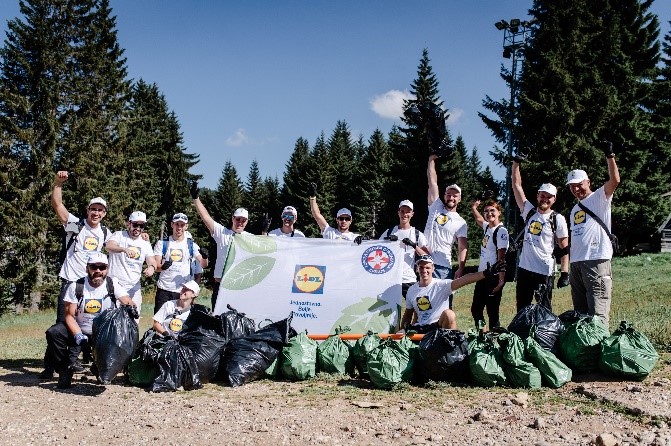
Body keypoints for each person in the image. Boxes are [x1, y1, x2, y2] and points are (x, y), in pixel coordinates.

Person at [41, 171, 113, 379]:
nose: (96, 213)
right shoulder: (77, 225)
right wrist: (57, 184)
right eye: (93, 209)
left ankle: (70, 364)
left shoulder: (105, 233)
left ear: (104, 214)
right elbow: (58, 207)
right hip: (70, 282)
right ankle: (50, 365)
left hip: (88, 286)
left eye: (100, 210)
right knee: (61, 325)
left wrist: (141, 237)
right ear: (87, 210)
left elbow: (118, 244)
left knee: (80, 325)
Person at [44, 253, 134, 388]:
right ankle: (65, 369)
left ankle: (100, 368)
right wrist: (78, 335)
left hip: (104, 334)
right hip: (81, 329)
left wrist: (131, 308)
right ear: (87, 268)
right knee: (54, 332)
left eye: (102, 267)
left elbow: (127, 301)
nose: (98, 271)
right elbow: (69, 316)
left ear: (107, 269)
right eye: (94, 267)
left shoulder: (112, 284)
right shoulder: (76, 286)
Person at [566, 141, 620, 326]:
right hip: (576, 264)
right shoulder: (574, 209)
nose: (576, 189)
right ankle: (584, 353)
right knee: (580, 316)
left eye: (579, 185)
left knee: (598, 313)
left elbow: (615, 181)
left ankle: (600, 351)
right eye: (572, 186)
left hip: (596, 261)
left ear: (588, 182)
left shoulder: (599, 197)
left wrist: (609, 156)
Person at [511, 157, 570, 312]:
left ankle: (543, 336)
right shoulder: (529, 212)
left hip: (544, 271)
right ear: (537, 196)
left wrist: (565, 273)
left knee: (544, 310)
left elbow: (564, 248)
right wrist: (516, 164)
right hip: (524, 269)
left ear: (554, 199)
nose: (545, 199)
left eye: (548, 197)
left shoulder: (558, 219)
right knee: (522, 308)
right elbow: (516, 185)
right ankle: (522, 335)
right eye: (542, 195)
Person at [398, 254, 505, 333]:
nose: (424, 270)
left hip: (438, 327)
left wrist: (485, 273)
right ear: (417, 269)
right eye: (421, 267)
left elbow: (464, 280)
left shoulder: (441, 285)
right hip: (420, 329)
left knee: (449, 314)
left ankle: (452, 347)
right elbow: (407, 315)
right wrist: (402, 331)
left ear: (433, 269)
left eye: (427, 267)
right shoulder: (412, 290)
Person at [190, 181, 248, 310]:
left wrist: (264, 232)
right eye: (237, 219)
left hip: (239, 288)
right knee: (217, 322)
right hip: (220, 286)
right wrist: (196, 199)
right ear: (232, 218)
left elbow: (267, 249)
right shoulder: (223, 233)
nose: (240, 222)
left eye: (243, 220)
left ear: (247, 222)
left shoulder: (250, 238)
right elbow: (205, 217)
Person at [153, 212, 208, 315]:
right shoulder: (162, 243)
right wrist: (162, 267)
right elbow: (156, 267)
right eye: (177, 224)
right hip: (164, 290)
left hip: (182, 292)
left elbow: (204, 264)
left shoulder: (191, 245)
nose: (179, 227)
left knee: (178, 325)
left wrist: (205, 257)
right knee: (159, 323)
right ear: (172, 225)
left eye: (182, 225)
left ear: (186, 226)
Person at [424, 155, 468, 279]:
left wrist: (461, 268)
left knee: (442, 299)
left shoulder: (461, 222)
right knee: (423, 298)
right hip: (424, 262)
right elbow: (432, 181)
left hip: (442, 267)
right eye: (449, 194)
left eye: (455, 195)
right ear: (444, 196)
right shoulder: (435, 206)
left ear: (459, 199)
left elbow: (462, 246)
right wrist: (431, 159)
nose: (451, 197)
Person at [106, 211, 157, 314]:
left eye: (141, 225)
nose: (138, 228)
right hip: (116, 284)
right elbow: (109, 246)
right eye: (135, 224)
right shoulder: (119, 235)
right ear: (129, 223)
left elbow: (152, 260)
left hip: (134, 287)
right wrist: (124, 249)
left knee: (134, 319)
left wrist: (151, 268)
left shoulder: (145, 243)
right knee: (113, 318)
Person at [379, 200, 429, 298]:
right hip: (391, 279)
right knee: (387, 310)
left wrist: (414, 245)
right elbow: (377, 249)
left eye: (407, 212)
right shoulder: (389, 232)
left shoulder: (417, 234)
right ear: (398, 212)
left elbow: (426, 256)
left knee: (415, 307)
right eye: (402, 211)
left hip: (408, 278)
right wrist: (387, 241)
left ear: (412, 214)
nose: (404, 214)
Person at [470, 199, 508, 329]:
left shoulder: (501, 231)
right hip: (482, 275)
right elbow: (479, 220)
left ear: (499, 212)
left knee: (492, 312)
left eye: (492, 210)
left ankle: (495, 342)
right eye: (486, 211)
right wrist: (474, 208)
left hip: (494, 277)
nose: (489, 213)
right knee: (476, 309)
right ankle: (483, 337)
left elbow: (501, 258)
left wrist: (501, 280)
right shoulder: (488, 228)